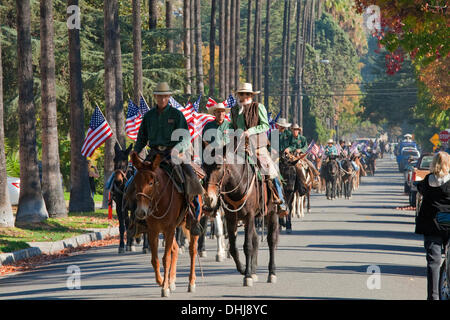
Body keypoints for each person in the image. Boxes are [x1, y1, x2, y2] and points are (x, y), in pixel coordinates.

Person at [132, 82, 203, 235]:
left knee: (191, 177)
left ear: (169, 97)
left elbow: (185, 138)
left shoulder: (177, 115)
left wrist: (177, 149)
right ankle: (136, 220)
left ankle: (193, 217)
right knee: (133, 182)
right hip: (154, 155)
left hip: (173, 153)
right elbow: (141, 139)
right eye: (159, 96)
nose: (162, 99)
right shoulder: (149, 116)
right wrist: (135, 152)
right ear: (155, 97)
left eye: (165, 96)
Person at [230, 82, 288, 214]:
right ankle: (221, 203)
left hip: (257, 147)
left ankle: (280, 200)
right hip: (238, 147)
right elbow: (233, 127)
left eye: (246, 94)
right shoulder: (234, 110)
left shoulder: (258, 107)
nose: (243, 96)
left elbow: (265, 126)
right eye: (241, 94)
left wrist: (250, 131)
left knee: (271, 171)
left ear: (251, 95)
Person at [415, 151, 450, 300]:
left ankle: (433, 296)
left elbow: (419, 189)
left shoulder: (428, 180)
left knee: (433, 263)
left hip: (432, 226)